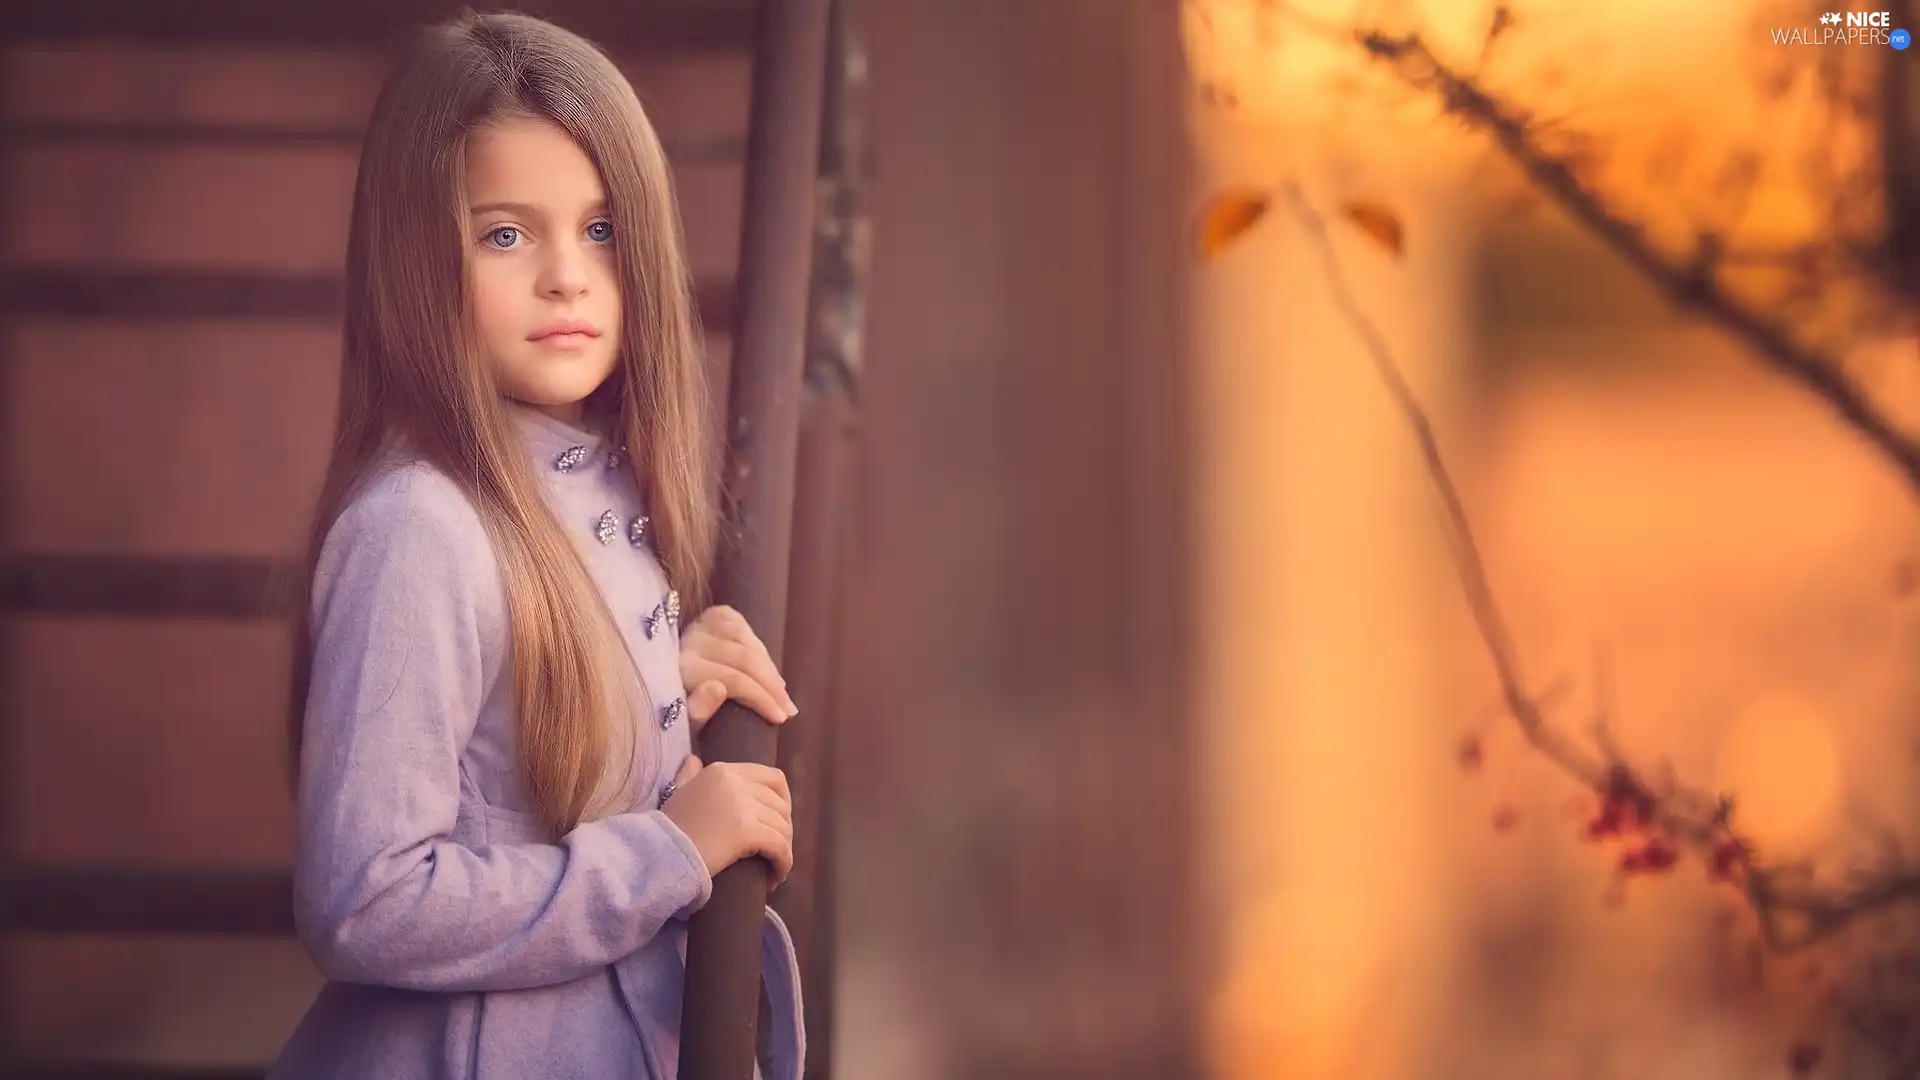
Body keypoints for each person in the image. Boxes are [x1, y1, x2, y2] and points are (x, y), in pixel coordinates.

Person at [267, 11, 805, 1079]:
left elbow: (519, 756)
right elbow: (367, 898)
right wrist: (671, 851)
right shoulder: (416, 528)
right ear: (419, 260)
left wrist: (639, 673)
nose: (566, 275)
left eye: (601, 229)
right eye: (505, 234)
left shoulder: (592, 485)